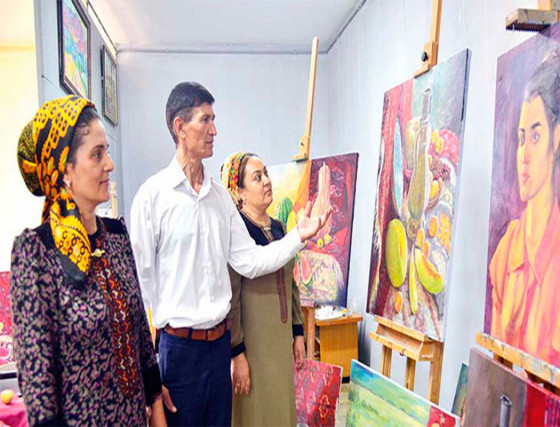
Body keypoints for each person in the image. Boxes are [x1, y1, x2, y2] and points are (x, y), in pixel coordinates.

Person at [130, 82, 329, 426]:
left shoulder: (220, 198)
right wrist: (149, 374)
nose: (214, 130)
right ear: (180, 127)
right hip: (178, 352)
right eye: (205, 120)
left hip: (218, 348)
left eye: (214, 119)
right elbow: (140, 290)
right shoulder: (153, 197)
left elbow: (250, 261)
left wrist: (298, 235)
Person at [10, 95, 165, 426]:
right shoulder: (36, 252)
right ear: (65, 170)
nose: (109, 164)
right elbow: (38, 383)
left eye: (106, 151)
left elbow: (140, 332)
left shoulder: (116, 236)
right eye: (97, 154)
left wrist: (156, 407)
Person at [489, 47, 560, 378]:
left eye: (536, 136)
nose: (524, 154)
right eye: (521, 138)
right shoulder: (506, 250)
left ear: (555, 138)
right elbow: (498, 371)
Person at [221, 152, 305, 426]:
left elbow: (291, 284)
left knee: (281, 410)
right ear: (240, 193)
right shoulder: (238, 233)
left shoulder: (279, 228)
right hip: (253, 348)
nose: (267, 181)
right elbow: (232, 299)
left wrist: (297, 333)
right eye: (257, 177)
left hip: (280, 343)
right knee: (255, 415)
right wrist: (238, 354)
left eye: (266, 173)